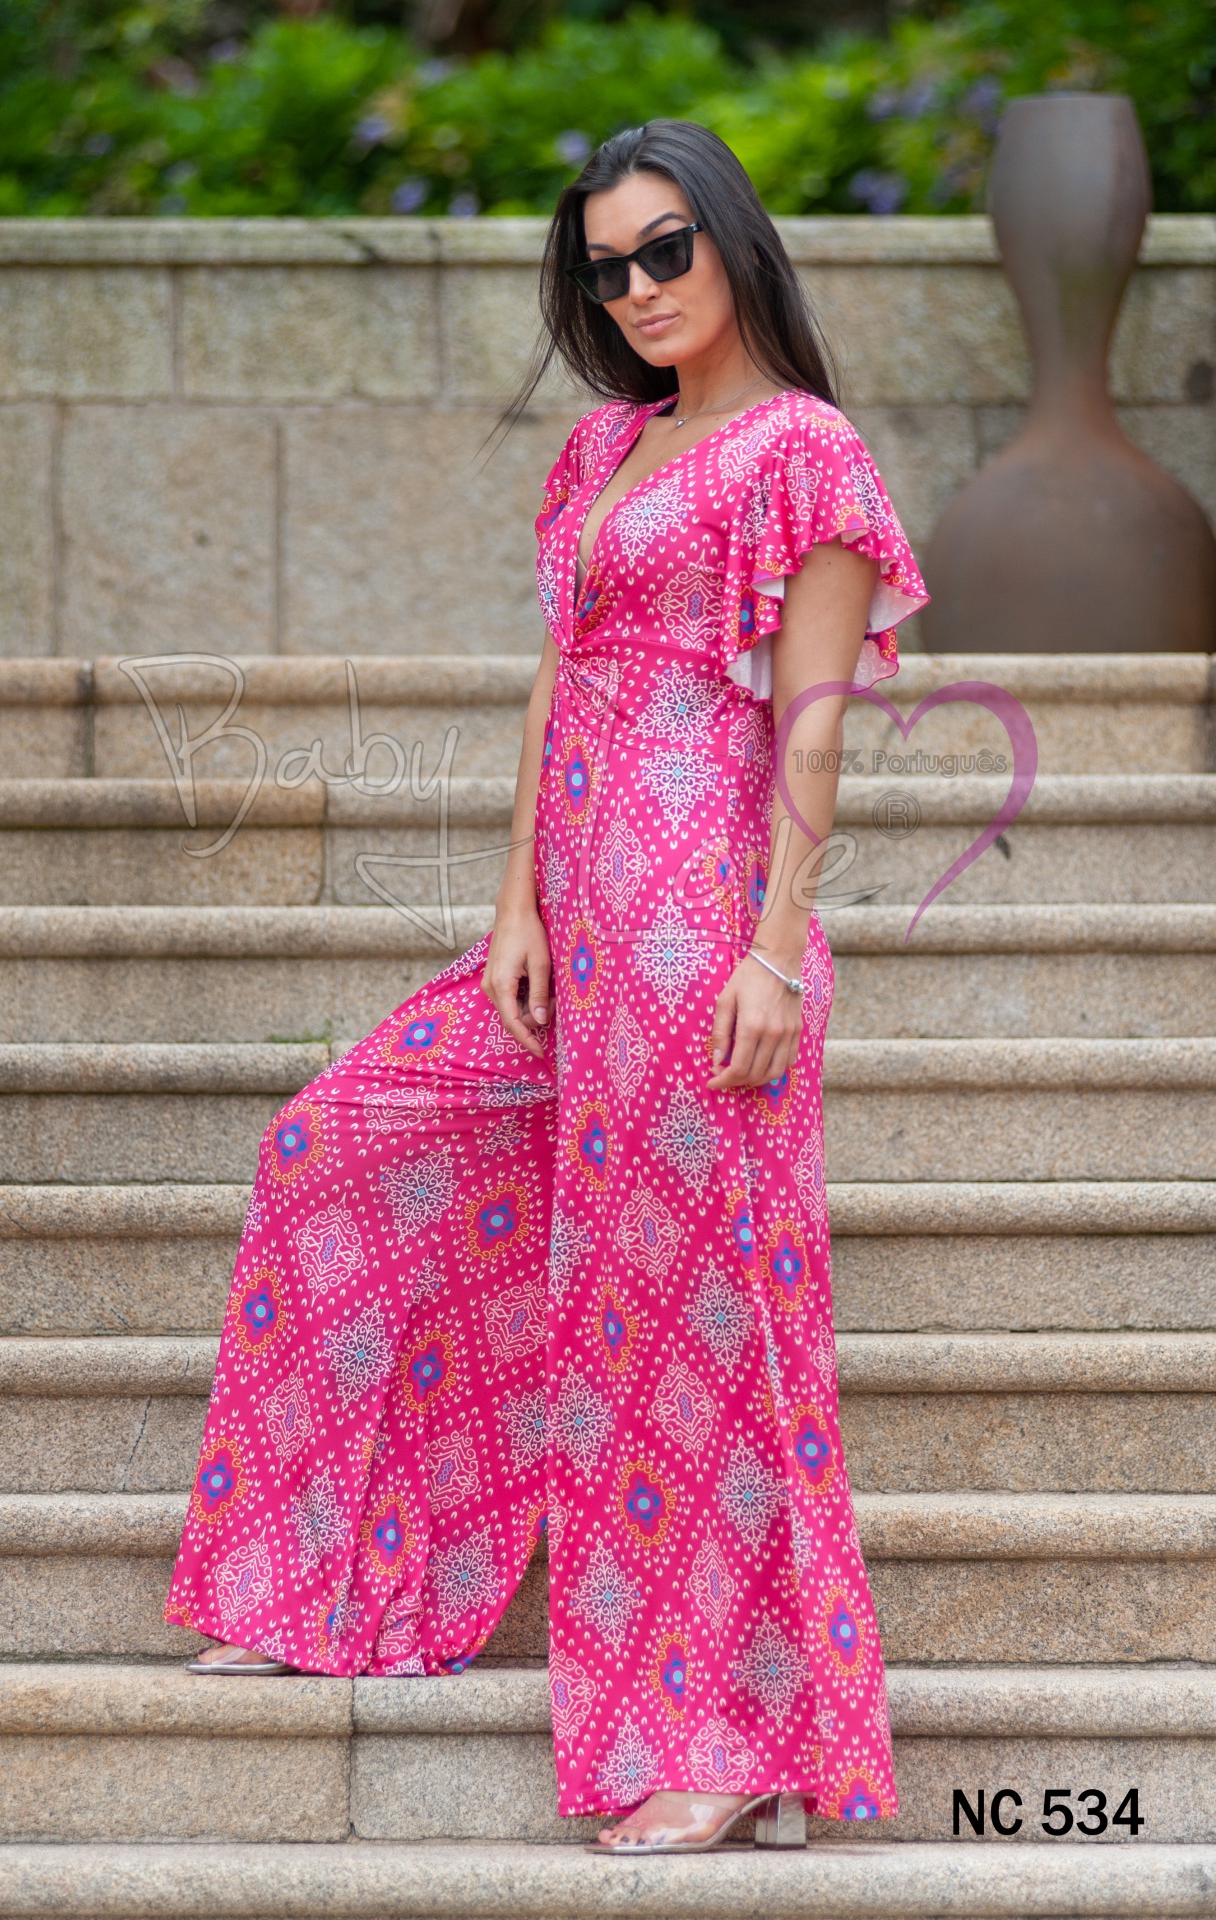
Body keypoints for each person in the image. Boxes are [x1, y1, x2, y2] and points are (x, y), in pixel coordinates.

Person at [167, 117, 928, 1855]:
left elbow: (811, 721)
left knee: (680, 1327)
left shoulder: (804, 452)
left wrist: (769, 952)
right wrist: (512, 907)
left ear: (732, 244)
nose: (640, 287)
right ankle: (329, 1589)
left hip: (698, 934)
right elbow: (553, 686)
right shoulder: (600, 453)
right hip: (572, 931)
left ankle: (729, 1742)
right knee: (338, 1143)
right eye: (608, 265)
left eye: (669, 248)